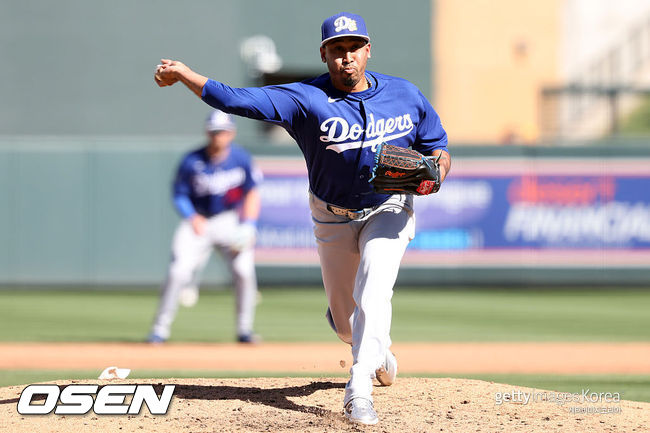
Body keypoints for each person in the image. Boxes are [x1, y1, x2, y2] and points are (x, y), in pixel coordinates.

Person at [153, 12, 450, 425]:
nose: (347, 57)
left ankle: (359, 388)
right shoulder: (304, 98)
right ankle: (378, 353)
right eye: (337, 49)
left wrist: (437, 172)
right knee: (345, 322)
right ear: (324, 55)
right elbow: (235, 99)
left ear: (368, 50)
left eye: (354, 47)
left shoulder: (404, 94)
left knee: (374, 290)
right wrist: (186, 74)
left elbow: (437, 146)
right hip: (332, 215)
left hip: (389, 206)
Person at [147, 109, 262, 345]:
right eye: (214, 132)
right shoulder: (192, 160)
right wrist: (192, 216)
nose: (218, 136)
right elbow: (179, 194)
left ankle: (244, 330)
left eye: (223, 132)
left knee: (244, 271)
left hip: (229, 220)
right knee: (178, 272)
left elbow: (252, 192)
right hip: (198, 220)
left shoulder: (241, 158)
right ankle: (159, 329)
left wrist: (249, 225)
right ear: (207, 133)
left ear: (232, 133)